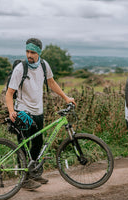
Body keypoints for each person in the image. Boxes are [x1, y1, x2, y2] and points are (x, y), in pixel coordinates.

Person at [6, 38, 76, 190]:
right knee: (23, 146)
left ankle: (34, 173)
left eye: (32, 52)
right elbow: (9, 93)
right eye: (27, 51)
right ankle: (23, 180)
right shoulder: (20, 68)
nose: (29, 55)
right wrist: (12, 111)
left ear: (39, 52)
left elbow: (51, 83)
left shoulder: (44, 65)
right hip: (23, 112)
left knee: (37, 144)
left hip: (38, 112)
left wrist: (66, 98)